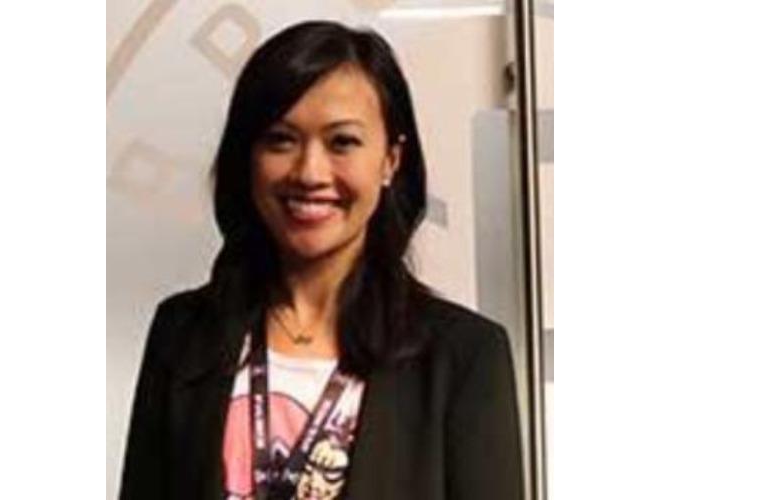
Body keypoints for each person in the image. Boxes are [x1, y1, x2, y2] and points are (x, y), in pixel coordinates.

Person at [120, 20, 523, 500]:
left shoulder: (465, 356)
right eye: (280, 139)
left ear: (391, 160)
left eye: (342, 142)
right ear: (247, 157)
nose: (310, 172)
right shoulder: (182, 333)